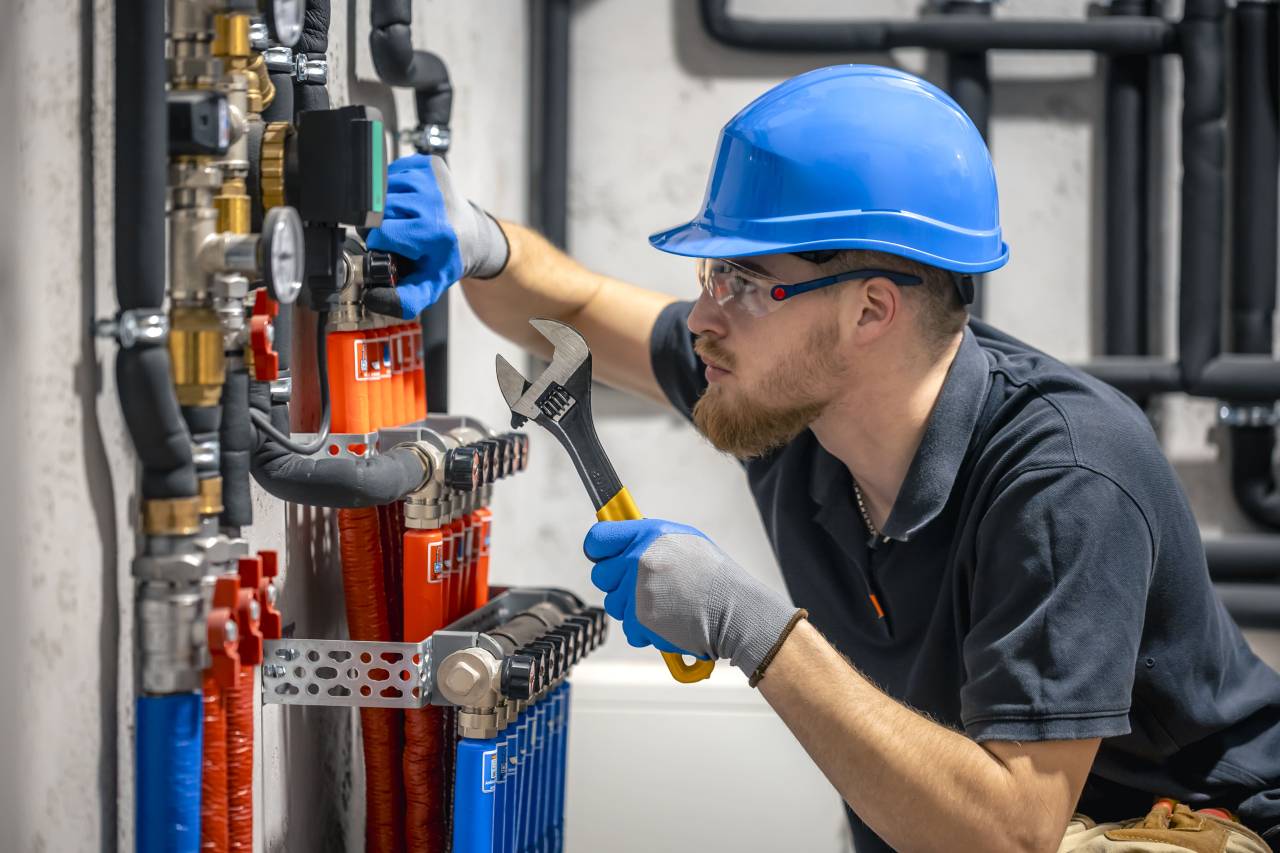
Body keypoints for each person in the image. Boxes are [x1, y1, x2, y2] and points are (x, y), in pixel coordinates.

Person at [365, 65, 1280, 852]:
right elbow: (570, 308)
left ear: (871, 311)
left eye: (743, 281)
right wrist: (481, 245)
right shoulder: (783, 394)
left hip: (1190, 827)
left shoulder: (1065, 479)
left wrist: (751, 628)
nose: (704, 317)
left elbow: (1012, 831)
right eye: (708, 276)